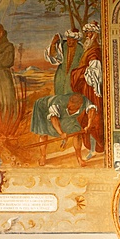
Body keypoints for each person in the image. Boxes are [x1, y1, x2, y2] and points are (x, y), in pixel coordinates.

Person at [30, 93, 97, 167]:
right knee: (43, 132)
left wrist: (89, 125)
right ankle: (43, 156)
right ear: (68, 102)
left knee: (77, 132)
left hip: (60, 113)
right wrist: (61, 133)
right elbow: (54, 118)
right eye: (69, 107)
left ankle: (79, 158)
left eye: (72, 108)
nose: (69, 108)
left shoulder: (84, 100)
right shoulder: (57, 104)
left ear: (79, 106)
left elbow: (92, 109)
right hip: (43, 108)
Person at [71, 21, 104, 160]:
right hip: (86, 89)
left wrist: (79, 72)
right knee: (85, 118)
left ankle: (96, 147)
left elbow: (95, 72)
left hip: (91, 90)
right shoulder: (89, 49)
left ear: (96, 34)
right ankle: (91, 147)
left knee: (93, 117)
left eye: (91, 33)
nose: (88, 35)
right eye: (87, 33)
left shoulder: (95, 50)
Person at [44, 29, 83, 95]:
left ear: (76, 40)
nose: (69, 41)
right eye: (68, 39)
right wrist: (53, 43)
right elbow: (53, 54)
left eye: (71, 39)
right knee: (59, 93)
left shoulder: (81, 49)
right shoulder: (63, 46)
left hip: (74, 76)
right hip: (61, 74)